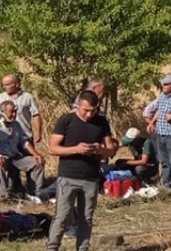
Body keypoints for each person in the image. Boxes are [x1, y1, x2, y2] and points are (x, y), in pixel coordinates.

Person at [46, 90, 117, 251]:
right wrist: (76, 150)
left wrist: (100, 149)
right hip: (68, 176)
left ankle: (83, 248)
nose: (89, 114)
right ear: (78, 106)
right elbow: (53, 148)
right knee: (62, 216)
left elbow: (111, 150)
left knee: (86, 218)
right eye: (85, 110)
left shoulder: (101, 122)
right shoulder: (66, 120)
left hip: (91, 178)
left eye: (93, 110)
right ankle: (52, 247)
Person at [0, 100, 46, 198]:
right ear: (2, 112)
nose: (14, 114)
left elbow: (24, 142)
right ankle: (2, 196)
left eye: (15, 111)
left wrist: (35, 153)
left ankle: (36, 193)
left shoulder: (16, 125)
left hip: (14, 157)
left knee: (37, 162)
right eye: (11, 112)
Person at [0, 74, 44, 144]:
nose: (4, 87)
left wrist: (38, 133)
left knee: (27, 154)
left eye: (7, 85)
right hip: (6, 137)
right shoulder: (1, 97)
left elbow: (36, 115)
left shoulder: (28, 97)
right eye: (3, 85)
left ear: (16, 84)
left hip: (25, 136)